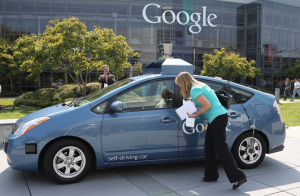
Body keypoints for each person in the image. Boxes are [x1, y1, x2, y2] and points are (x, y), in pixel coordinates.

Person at [175, 72, 247, 189]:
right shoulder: (199, 86)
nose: (179, 86)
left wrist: (195, 115)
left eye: (179, 84)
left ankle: (238, 176)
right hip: (216, 118)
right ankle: (211, 175)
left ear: (183, 82)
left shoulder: (194, 90)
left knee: (221, 148)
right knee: (209, 147)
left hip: (217, 118)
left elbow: (207, 105)